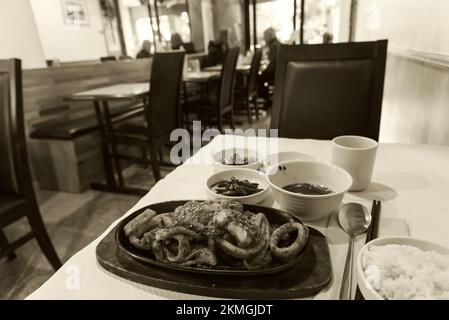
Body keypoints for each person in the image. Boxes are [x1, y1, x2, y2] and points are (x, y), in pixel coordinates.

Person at [258, 27, 281, 103]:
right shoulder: (277, 44)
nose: (264, 39)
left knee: (259, 78)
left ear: (269, 36)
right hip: (278, 71)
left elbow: (272, 64)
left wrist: (265, 70)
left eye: (265, 36)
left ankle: (267, 99)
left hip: (275, 73)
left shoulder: (274, 46)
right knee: (261, 76)